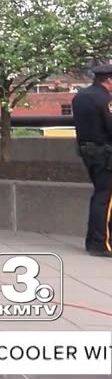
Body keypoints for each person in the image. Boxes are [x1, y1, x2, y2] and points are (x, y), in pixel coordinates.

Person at [72, 63, 112, 257]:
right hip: (106, 153)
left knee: (100, 195)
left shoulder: (80, 97)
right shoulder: (106, 99)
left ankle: (93, 241)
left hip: (88, 151)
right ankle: (101, 243)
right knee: (105, 199)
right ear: (109, 80)